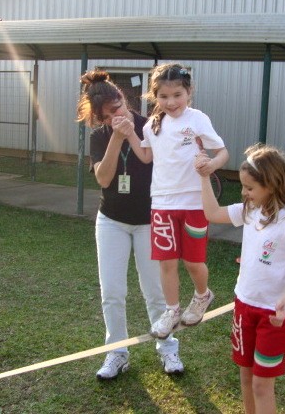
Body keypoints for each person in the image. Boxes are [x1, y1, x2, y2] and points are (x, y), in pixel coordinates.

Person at [76, 70, 183, 379]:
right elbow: (104, 179)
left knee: (155, 292)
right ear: (99, 118)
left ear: (123, 98)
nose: (116, 117)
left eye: (117, 108)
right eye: (108, 116)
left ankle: (167, 348)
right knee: (112, 291)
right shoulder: (100, 137)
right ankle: (117, 352)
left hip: (150, 221)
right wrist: (116, 138)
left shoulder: (153, 126)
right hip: (111, 221)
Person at [195, 143, 285, 414]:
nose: (244, 193)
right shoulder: (250, 210)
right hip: (244, 307)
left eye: (249, 188)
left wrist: (284, 300)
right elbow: (212, 214)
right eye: (243, 187)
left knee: (262, 384)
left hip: (275, 315)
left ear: (270, 185)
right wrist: (203, 177)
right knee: (246, 376)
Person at [125, 63, 229, 339]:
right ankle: (171, 310)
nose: (171, 102)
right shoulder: (152, 125)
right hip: (161, 204)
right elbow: (146, 156)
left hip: (195, 204)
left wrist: (212, 164)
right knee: (167, 262)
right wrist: (130, 135)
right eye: (164, 96)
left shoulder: (198, 119)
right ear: (154, 96)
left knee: (193, 263)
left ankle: (202, 295)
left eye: (177, 95)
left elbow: (222, 152)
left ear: (189, 92)